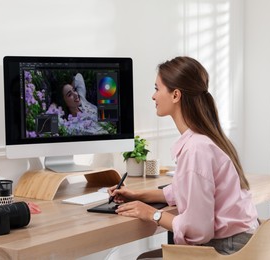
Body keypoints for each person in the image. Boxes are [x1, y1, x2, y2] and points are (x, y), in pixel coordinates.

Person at [108, 56, 259, 258]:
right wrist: (137, 195)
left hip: (227, 250)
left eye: (157, 88)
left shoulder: (196, 149)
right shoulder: (205, 139)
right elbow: (183, 190)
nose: (153, 96)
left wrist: (150, 213)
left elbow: (198, 230)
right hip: (243, 243)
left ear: (176, 95)